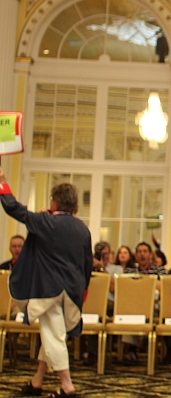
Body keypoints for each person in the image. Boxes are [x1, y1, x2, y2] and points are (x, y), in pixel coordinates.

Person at [0, 171, 92, 398]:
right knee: (52, 333)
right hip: (72, 290)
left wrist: (2, 184)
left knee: (54, 336)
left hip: (48, 289)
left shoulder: (45, 221)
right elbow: (87, 264)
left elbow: (14, 208)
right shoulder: (83, 229)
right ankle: (37, 381)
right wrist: (84, 290)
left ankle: (67, 386)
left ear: (55, 201)